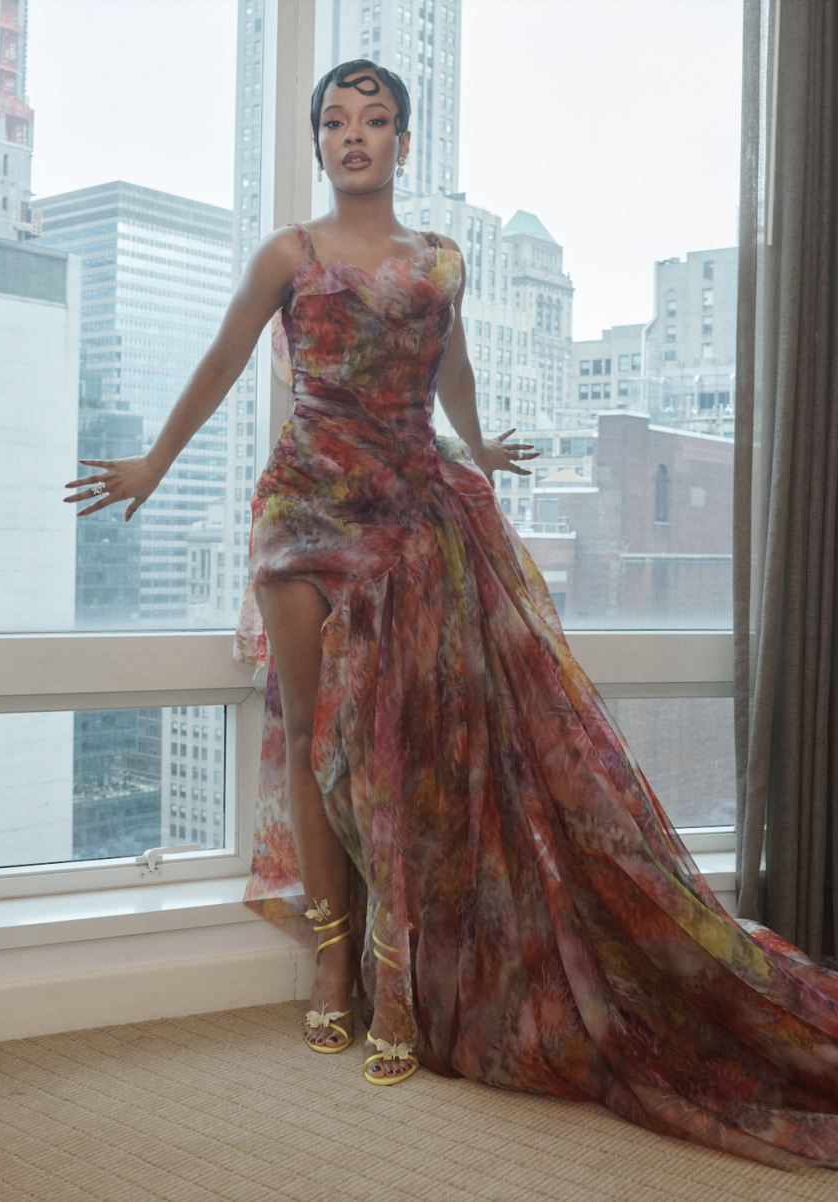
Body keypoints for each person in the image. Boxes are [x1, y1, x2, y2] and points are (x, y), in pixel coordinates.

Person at [66, 60, 838, 1170]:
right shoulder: (289, 253)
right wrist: (151, 460)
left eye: (374, 120)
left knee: (399, 757)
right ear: (319, 143)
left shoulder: (440, 261)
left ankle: (398, 975)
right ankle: (332, 961)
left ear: (404, 140)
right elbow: (226, 360)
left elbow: (451, 370)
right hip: (304, 505)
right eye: (334, 121)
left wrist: (478, 445)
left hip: (410, 504)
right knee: (313, 744)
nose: (352, 136)